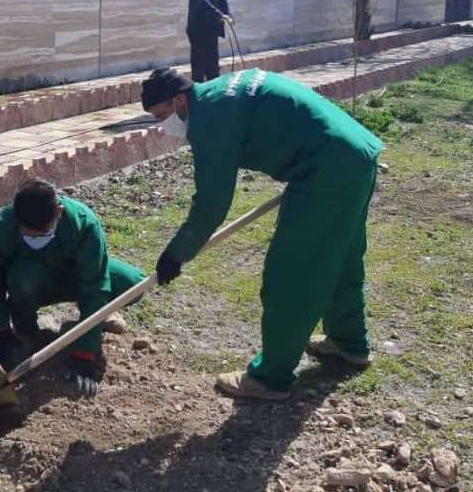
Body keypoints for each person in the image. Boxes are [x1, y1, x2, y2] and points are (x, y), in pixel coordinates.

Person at [141, 67, 383, 401]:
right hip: (353, 155)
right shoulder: (220, 91)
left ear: (179, 99)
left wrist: (177, 253)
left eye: (161, 115)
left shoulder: (209, 117)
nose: (162, 125)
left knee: (292, 271)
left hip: (325, 170)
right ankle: (348, 341)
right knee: (339, 257)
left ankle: (271, 377)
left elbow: (212, 201)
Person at [0, 180, 146, 397]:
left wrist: (85, 355)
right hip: (32, 282)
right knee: (23, 278)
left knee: (134, 284)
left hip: (75, 278)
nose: (36, 239)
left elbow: (95, 286)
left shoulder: (84, 223)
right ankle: (26, 331)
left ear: (59, 211)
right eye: (30, 234)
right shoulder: (2, 228)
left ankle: (90, 324)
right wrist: (2, 334)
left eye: (43, 233)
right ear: (17, 217)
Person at [187, 0, 233, 83]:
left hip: (211, 31)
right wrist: (220, 15)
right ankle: (198, 95)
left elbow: (222, 1)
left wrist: (228, 15)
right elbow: (204, 3)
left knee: (212, 65)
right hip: (198, 31)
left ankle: (213, 92)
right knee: (199, 67)